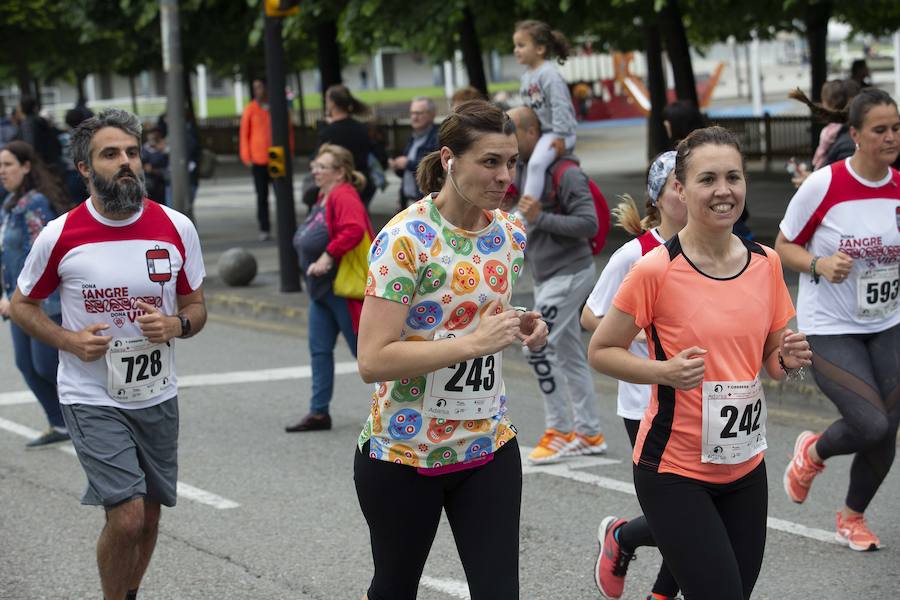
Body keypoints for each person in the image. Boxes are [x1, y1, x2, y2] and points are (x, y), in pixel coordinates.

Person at [588, 126, 811, 600]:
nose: (723, 190)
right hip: (675, 469)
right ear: (681, 189)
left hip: (745, 465)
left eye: (733, 177)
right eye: (707, 179)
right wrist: (663, 372)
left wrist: (788, 360)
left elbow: (773, 362)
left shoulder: (766, 263)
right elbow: (601, 350)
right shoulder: (655, 269)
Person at [354, 100, 548, 600]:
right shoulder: (404, 239)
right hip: (405, 451)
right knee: (395, 588)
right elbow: (373, 360)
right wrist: (473, 344)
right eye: (490, 161)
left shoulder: (510, 233)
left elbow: (470, 309)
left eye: (512, 162)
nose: (505, 176)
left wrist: (521, 321)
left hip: (486, 444)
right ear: (449, 159)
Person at [9, 108, 207, 600]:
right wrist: (70, 341)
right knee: (127, 515)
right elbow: (22, 305)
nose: (126, 163)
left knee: (152, 514)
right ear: (84, 168)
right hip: (91, 395)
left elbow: (196, 308)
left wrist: (176, 325)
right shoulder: (60, 235)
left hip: (156, 392)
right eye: (110, 154)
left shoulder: (176, 226)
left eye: (132, 153)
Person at [776, 88, 900, 552]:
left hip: (887, 322)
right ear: (855, 134)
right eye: (880, 130)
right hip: (829, 325)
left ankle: (852, 517)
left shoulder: (899, 186)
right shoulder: (824, 185)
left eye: (897, 128)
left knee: (889, 424)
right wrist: (820, 265)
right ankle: (812, 452)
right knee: (871, 424)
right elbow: (783, 246)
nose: (891, 137)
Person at [581, 151, 687, 600]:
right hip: (646, 402)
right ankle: (624, 541)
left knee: (699, 512)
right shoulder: (636, 254)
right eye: (678, 184)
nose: (688, 191)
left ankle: (628, 545)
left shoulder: (719, 248)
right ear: (658, 198)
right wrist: (641, 331)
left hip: (704, 399)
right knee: (683, 515)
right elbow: (591, 315)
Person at [507, 106, 606, 463]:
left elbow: (589, 224)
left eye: (512, 131)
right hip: (548, 275)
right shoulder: (522, 169)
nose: (507, 138)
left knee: (536, 347)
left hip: (569, 272)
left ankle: (560, 430)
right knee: (568, 354)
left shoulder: (567, 173)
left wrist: (540, 217)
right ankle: (589, 433)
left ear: (532, 133)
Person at [286, 144, 375, 432]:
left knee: (367, 355)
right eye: (315, 166)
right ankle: (318, 412)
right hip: (322, 291)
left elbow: (354, 229)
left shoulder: (343, 194)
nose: (315, 171)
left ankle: (398, 408)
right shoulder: (323, 196)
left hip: (342, 290)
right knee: (320, 351)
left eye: (322, 167)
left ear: (340, 172)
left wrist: (327, 256)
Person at [0, 141, 71, 448]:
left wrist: (15, 294)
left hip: (40, 301)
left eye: (8, 165)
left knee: (46, 366)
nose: (2, 171)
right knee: (26, 365)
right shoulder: (10, 204)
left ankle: (96, 416)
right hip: (17, 302)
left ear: (26, 167)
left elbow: (39, 254)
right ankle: (60, 423)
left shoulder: (35, 203)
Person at [513, 19, 578, 201]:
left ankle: (526, 210)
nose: (516, 50)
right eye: (515, 45)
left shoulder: (548, 74)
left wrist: (561, 136)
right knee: (519, 160)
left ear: (540, 49)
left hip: (559, 133)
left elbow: (560, 105)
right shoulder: (526, 77)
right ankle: (515, 201)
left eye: (521, 45)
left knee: (536, 164)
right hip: (543, 134)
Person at [240, 79, 293, 241]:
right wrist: (246, 156)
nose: (258, 91)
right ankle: (264, 228)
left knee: (281, 193)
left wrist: (289, 152)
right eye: (255, 88)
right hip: (258, 158)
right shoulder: (251, 109)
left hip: (276, 155)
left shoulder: (277, 107)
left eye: (260, 87)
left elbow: (288, 131)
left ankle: (285, 226)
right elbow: (244, 134)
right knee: (262, 195)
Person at [317, 84, 376, 206]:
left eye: (326, 100)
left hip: (338, 186)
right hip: (362, 184)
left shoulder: (328, 133)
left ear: (332, 103)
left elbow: (319, 159)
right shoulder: (362, 129)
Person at [389, 97, 439, 210]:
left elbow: (436, 170)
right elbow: (407, 174)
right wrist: (397, 166)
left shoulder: (437, 138)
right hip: (408, 202)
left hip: (426, 204)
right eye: (412, 113)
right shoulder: (413, 137)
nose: (414, 117)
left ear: (432, 114)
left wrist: (408, 163)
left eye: (419, 113)